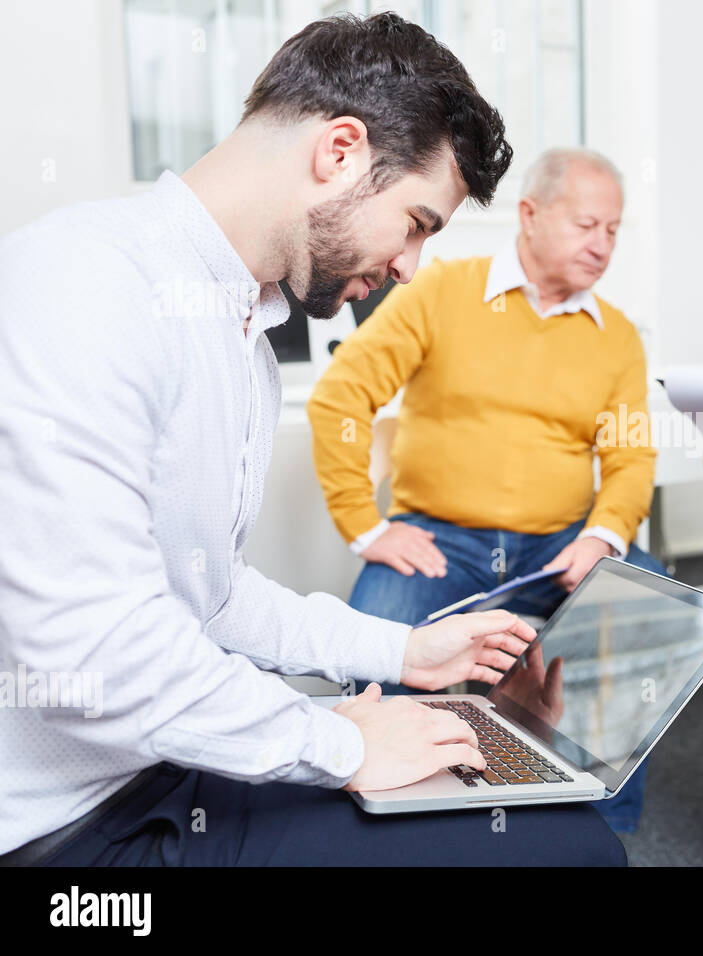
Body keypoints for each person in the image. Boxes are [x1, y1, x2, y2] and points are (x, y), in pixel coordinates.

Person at [0, 12, 625, 867]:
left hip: (161, 763)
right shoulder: (84, 285)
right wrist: (343, 743)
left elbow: (210, 598)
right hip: (71, 828)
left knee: (555, 824)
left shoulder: (242, 334)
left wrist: (403, 653)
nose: (410, 266)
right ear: (340, 151)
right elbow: (101, 656)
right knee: (565, 852)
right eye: (417, 222)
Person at [305, 146, 661, 832]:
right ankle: (423, 832)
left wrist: (603, 534)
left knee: (644, 607)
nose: (602, 244)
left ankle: (600, 832)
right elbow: (341, 398)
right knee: (377, 640)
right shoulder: (444, 291)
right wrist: (367, 528)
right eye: (588, 224)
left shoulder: (616, 337)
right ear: (529, 215)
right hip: (443, 541)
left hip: (561, 544)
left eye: (613, 231)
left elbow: (630, 459)